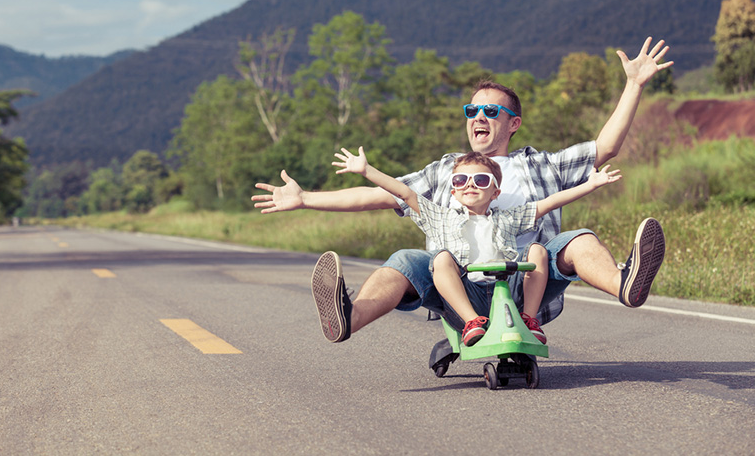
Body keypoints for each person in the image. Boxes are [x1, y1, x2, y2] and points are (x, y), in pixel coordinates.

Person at [252, 37, 671, 344]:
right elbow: (385, 195)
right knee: (405, 260)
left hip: (529, 283)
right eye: (472, 110)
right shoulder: (447, 170)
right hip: (459, 286)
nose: (478, 116)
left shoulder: (540, 164)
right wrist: (306, 198)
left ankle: (624, 284)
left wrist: (634, 84)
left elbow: (606, 147)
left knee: (578, 240)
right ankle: (347, 316)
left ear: (513, 123)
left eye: (491, 110)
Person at [332, 146, 622, 345]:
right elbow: (405, 193)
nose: (470, 184)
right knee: (442, 258)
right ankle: (472, 324)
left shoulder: (508, 219)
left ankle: (530, 321)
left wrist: (590, 185)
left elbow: (548, 203)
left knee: (537, 250)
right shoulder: (440, 216)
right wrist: (367, 170)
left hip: (508, 293)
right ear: (454, 190)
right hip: (465, 297)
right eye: (461, 179)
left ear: (495, 191)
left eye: (480, 180)